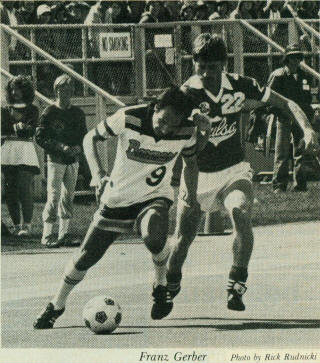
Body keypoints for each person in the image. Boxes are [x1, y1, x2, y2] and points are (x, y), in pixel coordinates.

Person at [33, 86, 210, 329]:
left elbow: (192, 156)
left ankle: (160, 286)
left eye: (174, 124)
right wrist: (98, 174)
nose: (167, 128)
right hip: (117, 198)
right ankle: (57, 304)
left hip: (154, 196)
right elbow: (90, 138)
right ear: (155, 108)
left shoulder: (185, 130)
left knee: (153, 236)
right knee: (86, 257)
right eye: (164, 120)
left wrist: (204, 134)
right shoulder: (129, 117)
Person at [166, 33, 319, 313]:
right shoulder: (187, 94)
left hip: (233, 169)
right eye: (201, 66)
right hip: (197, 175)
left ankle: (236, 284)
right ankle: (169, 285)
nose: (207, 73)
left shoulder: (241, 85)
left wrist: (307, 128)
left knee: (240, 212)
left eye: (213, 67)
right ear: (194, 63)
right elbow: (163, 127)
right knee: (181, 242)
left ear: (223, 65)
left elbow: (286, 103)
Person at [35, 74, 87, 248]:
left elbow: (84, 135)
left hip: (72, 159)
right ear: (56, 90)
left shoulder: (78, 113)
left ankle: (63, 233)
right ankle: (47, 234)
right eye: (62, 90)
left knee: (68, 197)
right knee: (54, 195)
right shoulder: (49, 112)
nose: (65, 93)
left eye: (69, 90)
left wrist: (79, 147)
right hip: (56, 159)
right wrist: (59, 146)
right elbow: (40, 137)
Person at [268, 44, 315, 193]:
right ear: (286, 59)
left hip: (301, 120)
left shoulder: (304, 76)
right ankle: (279, 185)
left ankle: (300, 184)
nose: (295, 61)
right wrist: (281, 113)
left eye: (298, 57)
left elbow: (308, 99)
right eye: (292, 57)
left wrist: (309, 117)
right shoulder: (278, 76)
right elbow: (269, 99)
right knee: (282, 152)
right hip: (284, 118)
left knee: (300, 151)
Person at [1, 75, 40, 236]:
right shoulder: (4, 109)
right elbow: (3, 129)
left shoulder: (33, 109)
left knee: (24, 188)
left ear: (25, 90)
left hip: (25, 151)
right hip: (8, 150)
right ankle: (16, 225)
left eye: (18, 88)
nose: (15, 92)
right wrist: (17, 127)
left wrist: (21, 127)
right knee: (10, 190)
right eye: (12, 89)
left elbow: (31, 129)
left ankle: (27, 225)